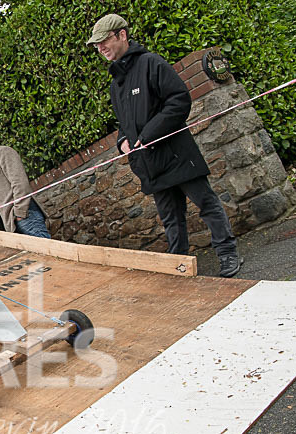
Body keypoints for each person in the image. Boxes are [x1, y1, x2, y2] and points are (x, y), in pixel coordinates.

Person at [87, 14, 241, 277]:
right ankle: (178, 265)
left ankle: (227, 254)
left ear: (122, 35)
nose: (100, 48)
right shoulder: (116, 84)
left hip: (177, 153)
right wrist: (122, 142)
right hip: (151, 164)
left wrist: (148, 135)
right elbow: (124, 123)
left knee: (207, 203)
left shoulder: (151, 63)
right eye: (96, 45)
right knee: (171, 218)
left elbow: (179, 100)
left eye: (104, 41)